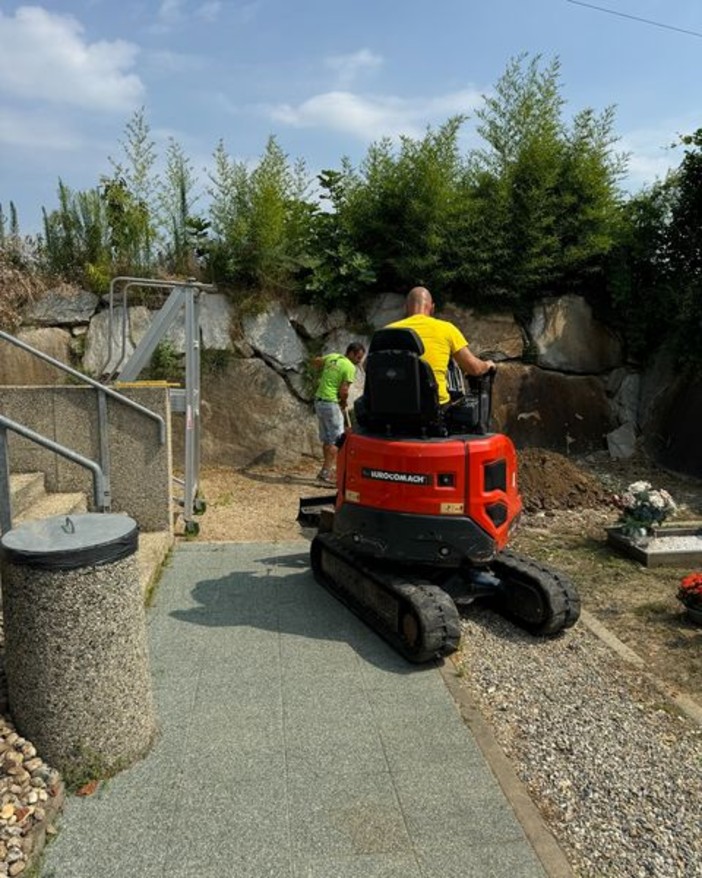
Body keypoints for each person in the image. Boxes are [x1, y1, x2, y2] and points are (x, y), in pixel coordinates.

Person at [386, 286, 495, 406]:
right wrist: (487, 364)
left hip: (391, 408)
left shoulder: (387, 331)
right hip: (433, 410)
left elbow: (371, 368)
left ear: (406, 307)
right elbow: (474, 368)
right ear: (432, 308)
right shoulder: (446, 329)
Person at [312, 342, 366, 484]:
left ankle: (326, 471)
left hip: (319, 401)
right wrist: (343, 402)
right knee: (338, 440)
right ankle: (325, 474)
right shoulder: (349, 367)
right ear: (351, 353)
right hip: (331, 403)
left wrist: (325, 374)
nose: (359, 361)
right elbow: (344, 391)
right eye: (358, 357)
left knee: (327, 440)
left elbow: (316, 361)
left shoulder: (333, 357)